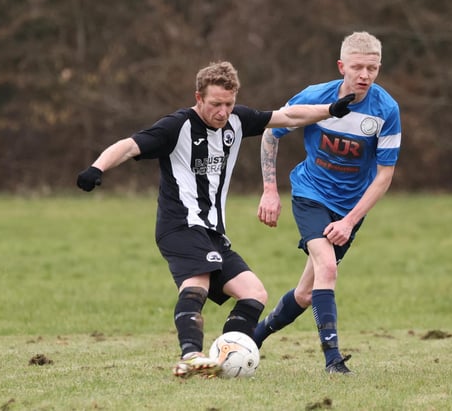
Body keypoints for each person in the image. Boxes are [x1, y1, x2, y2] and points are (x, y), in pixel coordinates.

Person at [76, 60, 355, 378]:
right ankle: (190, 355)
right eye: (215, 104)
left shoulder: (237, 121)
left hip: (212, 232)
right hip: (179, 225)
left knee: (254, 293)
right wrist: (96, 169)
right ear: (198, 98)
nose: (223, 112)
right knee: (199, 283)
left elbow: (288, 116)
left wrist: (330, 110)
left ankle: (225, 355)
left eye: (229, 104)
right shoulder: (176, 127)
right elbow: (128, 146)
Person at [253, 31, 402, 375]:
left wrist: (350, 221)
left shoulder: (386, 110)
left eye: (373, 68)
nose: (365, 75)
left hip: (351, 209)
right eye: (358, 67)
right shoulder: (315, 97)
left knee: (306, 294)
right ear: (341, 66)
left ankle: (253, 337)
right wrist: (270, 189)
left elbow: (383, 177)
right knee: (329, 268)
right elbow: (270, 131)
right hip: (310, 194)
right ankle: (333, 359)